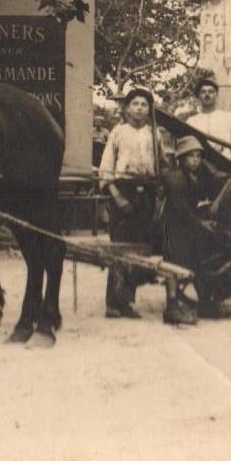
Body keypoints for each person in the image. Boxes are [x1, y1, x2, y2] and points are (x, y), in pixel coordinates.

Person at [97, 88, 171, 318]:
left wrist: (161, 187)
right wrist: (117, 197)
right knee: (120, 246)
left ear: (149, 110)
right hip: (123, 189)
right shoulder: (118, 133)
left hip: (146, 193)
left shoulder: (153, 134)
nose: (139, 108)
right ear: (127, 108)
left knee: (139, 248)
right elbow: (105, 171)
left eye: (144, 104)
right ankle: (113, 303)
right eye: (135, 103)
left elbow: (162, 164)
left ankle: (126, 301)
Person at [162, 136, 228, 321]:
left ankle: (206, 303)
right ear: (181, 158)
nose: (196, 160)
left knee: (202, 259)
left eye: (199, 156)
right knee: (174, 263)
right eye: (191, 156)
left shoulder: (195, 175)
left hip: (187, 224)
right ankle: (172, 306)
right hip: (173, 226)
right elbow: (182, 209)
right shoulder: (176, 177)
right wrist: (201, 224)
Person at [186, 78, 231, 149]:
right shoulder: (192, 121)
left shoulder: (229, 117)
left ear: (216, 95)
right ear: (199, 96)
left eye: (211, 91)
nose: (207, 94)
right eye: (203, 92)